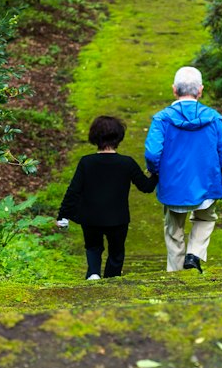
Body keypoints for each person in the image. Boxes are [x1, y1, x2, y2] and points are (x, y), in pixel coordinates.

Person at [144, 65, 222, 274]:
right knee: (205, 218)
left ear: (174, 90)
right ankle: (194, 254)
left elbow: (152, 154)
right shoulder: (213, 119)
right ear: (200, 90)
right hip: (206, 183)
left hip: (172, 185)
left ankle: (176, 271)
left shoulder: (162, 119)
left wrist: (155, 171)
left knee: (173, 229)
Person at [57, 114, 157, 280]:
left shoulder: (86, 162)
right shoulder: (127, 163)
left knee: (93, 247)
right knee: (116, 252)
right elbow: (146, 187)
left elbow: (73, 191)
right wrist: (156, 174)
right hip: (118, 218)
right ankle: (112, 280)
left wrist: (63, 215)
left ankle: (93, 273)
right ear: (119, 137)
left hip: (90, 217)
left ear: (94, 136)